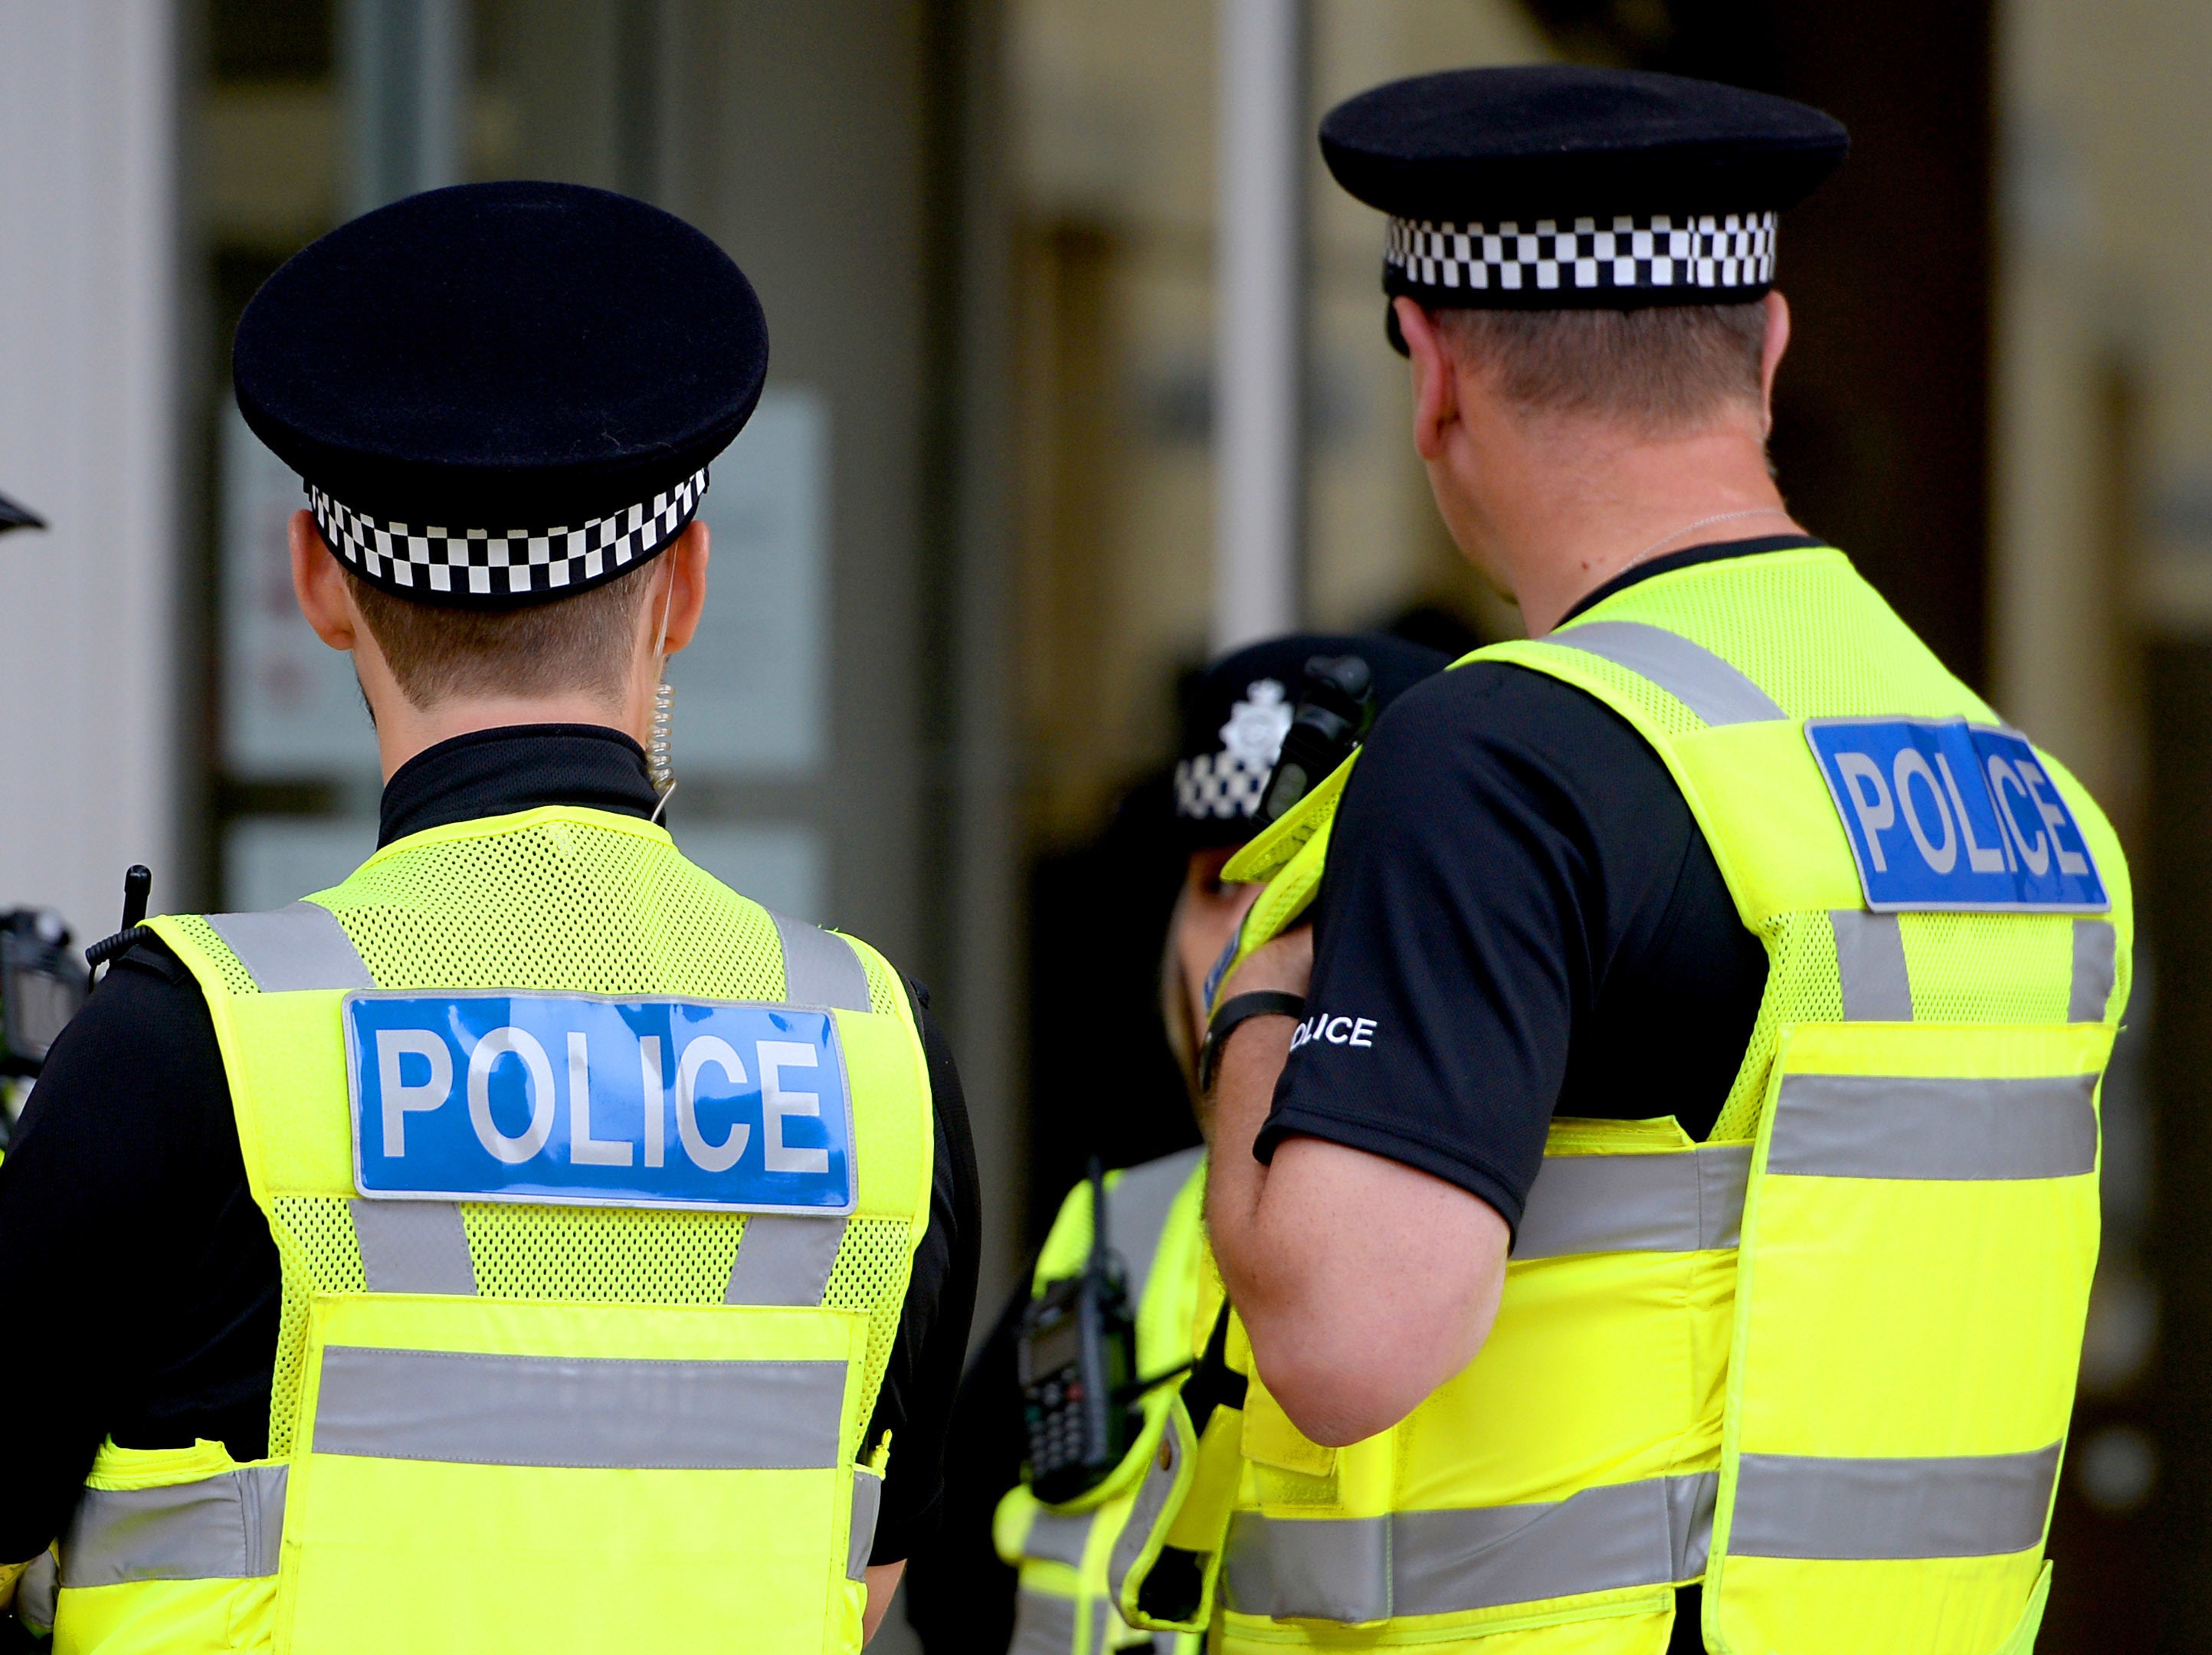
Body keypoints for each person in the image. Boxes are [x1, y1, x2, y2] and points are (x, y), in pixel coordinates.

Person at [1180, 66, 2131, 1655]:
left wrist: (1256, 1013)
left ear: (1431, 369)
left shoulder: (1504, 757)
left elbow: (1353, 1337)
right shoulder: (2029, 796)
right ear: (1764, 348)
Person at [0, 182, 979, 1654]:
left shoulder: (179, 1051)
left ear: (318, 581)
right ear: (691, 584)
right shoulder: (879, 1060)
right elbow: (871, 1574)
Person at [908, 635, 1444, 1655]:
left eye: (1303, 884)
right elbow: (949, 1584)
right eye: (1216, 886)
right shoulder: (1113, 1232)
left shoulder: (1521, 1248)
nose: (1246, 947)